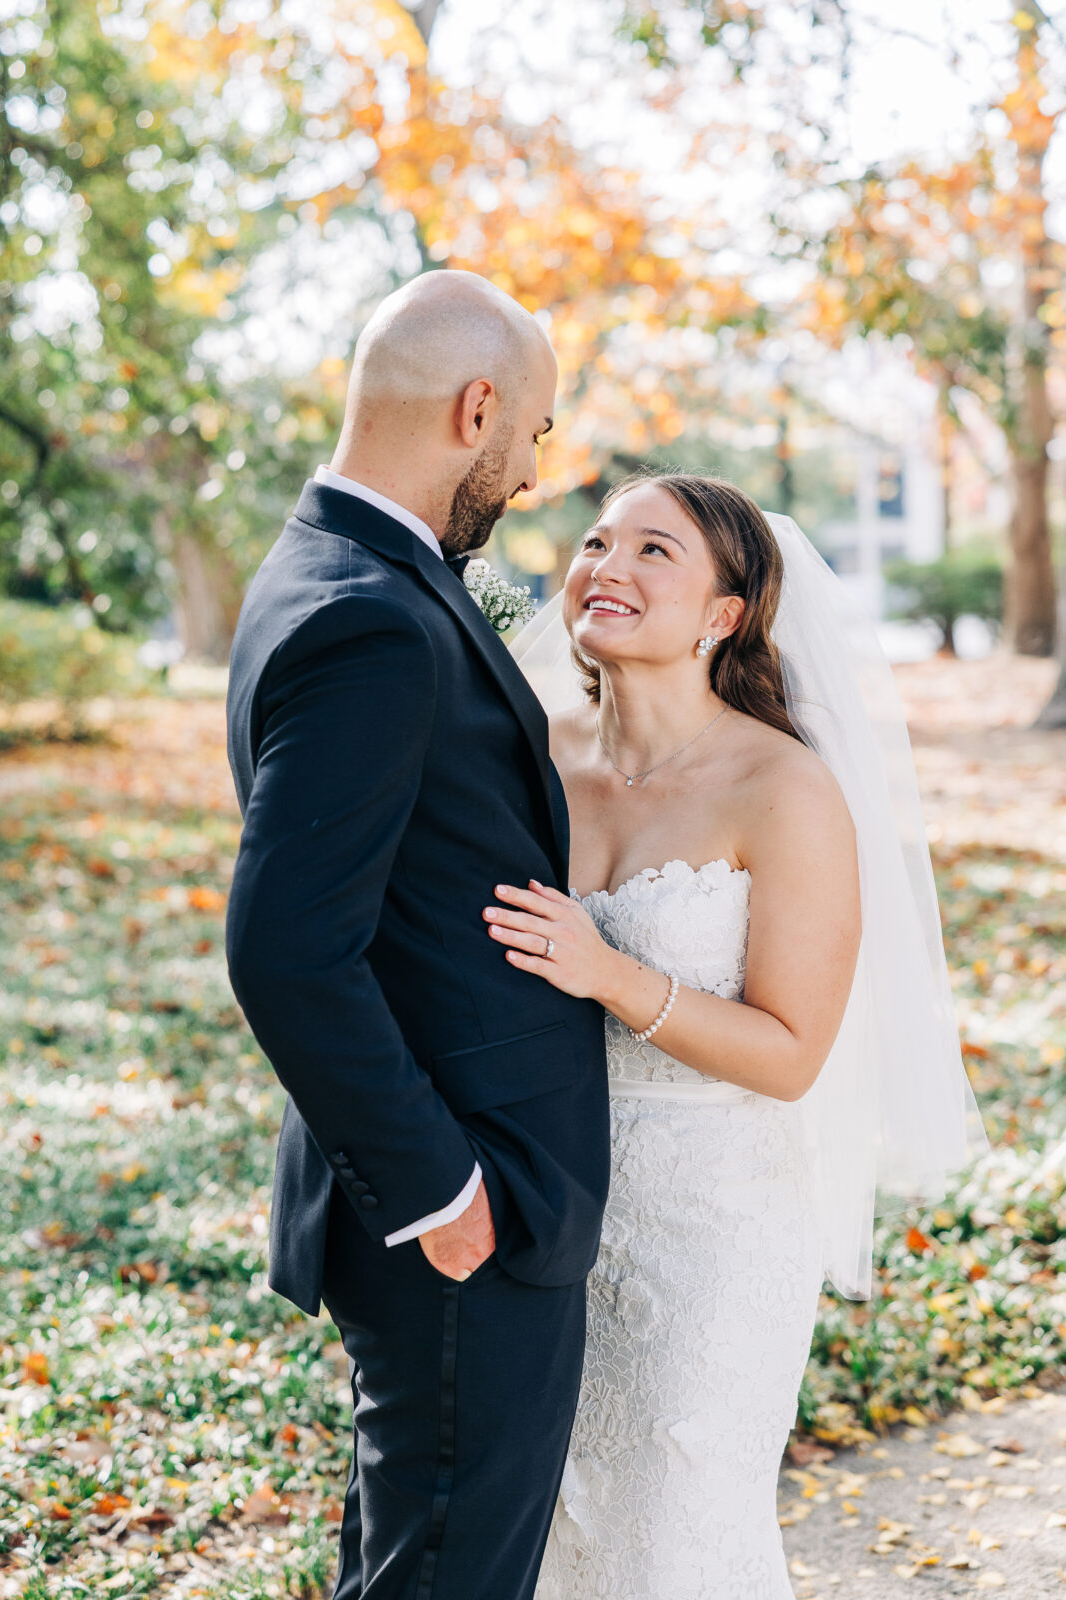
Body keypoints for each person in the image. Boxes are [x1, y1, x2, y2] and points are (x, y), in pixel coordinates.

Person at [486, 471, 986, 1598]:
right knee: (551, 1534)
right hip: (546, 1202)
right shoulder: (533, 757)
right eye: (596, 541)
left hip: (710, 1226)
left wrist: (611, 974)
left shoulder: (783, 788)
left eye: (652, 552)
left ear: (724, 615)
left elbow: (791, 1049)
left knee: (672, 1530)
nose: (605, 566)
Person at [224, 270, 610, 1600]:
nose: (524, 476)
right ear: (477, 407)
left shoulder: (337, 568)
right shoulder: (367, 615)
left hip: (459, 1189)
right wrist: (442, 1191)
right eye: (532, 440)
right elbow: (282, 947)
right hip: (462, 1205)